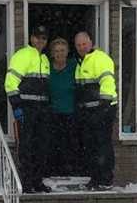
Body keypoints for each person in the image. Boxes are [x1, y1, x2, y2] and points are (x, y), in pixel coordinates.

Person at [4, 25, 51, 193]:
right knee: (26, 146)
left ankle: (38, 181)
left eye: (44, 38)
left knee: (42, 146)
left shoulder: (45, 59)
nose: (40, 41)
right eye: (38, 37)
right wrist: (17, 106)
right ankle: (27, 182)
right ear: (32, 38)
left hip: (42, 109)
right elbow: (10, 82)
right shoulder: (22, 55)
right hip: (27, 108)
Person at [74, 31, 118, 190]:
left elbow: (107, 81)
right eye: (78, 45)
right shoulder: (82, 62)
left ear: (91, 42)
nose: (81, 47)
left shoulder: (100, 58)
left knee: (102, 144)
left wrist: (104, 106)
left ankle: (106, 179)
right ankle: (95, 178)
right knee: (91, 145)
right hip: (89, 111)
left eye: (84, 44)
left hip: (103, 109)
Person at [47, 37, 81, 176]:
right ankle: (54, 172)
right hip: (52, 113)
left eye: (62, 50)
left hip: (71, 112)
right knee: (52, 144)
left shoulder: (74, 65)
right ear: (52, 53)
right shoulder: (46, 66)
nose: (59, 53)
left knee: (70, 145)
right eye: (56, 51)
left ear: (67, 52)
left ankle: (70, 172)